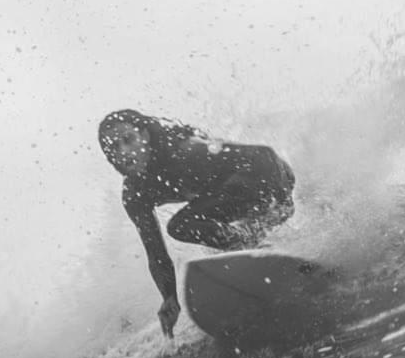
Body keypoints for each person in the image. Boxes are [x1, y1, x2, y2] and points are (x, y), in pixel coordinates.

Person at [98, 109, 296, 338]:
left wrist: (283, 206)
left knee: (181, 225)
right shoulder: (135, 194)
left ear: (145, 135)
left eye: (128, 139)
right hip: (229, 198)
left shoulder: (185, 152)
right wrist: (169, 297)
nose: (124, 152)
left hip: (268, 179)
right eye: (114, 148)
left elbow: (265, 155)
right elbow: (156, 254)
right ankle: (250, 246)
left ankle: (250, 241)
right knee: (188, 227)